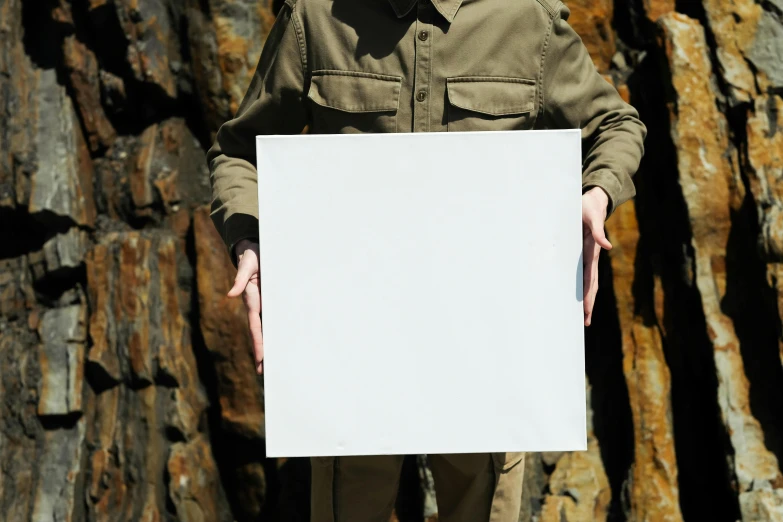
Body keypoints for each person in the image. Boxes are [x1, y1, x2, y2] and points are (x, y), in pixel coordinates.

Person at [206, 0, 647, 519]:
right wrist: (249, 236)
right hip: (353, 345)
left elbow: (616, 124)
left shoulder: (527, 20)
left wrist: (596, 193)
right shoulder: (315, 18)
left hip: (487, 343)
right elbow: (240, 151)